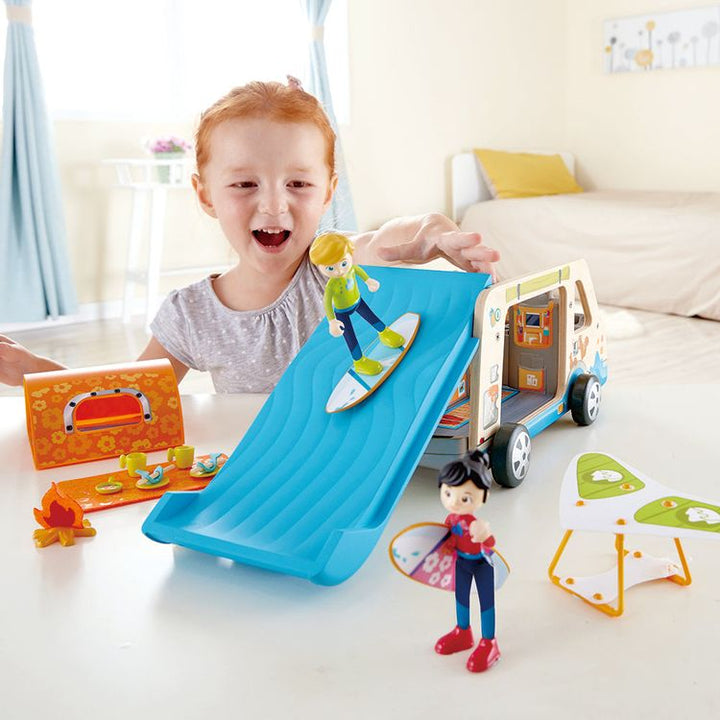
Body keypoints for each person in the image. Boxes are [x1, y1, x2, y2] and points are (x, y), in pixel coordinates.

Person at [0, 78, 499, 393]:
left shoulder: (333, 265)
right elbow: (130, 394)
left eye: (298, 184)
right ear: (205, 195)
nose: (274, 205)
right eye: (244, 184)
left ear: (328, 193)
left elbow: (389, 239)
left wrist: (432, 230)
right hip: (260, 470)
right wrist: (33, 370)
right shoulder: (191, 314)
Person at [435, 450, 500, 673]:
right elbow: (448, 540)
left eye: (464, 498)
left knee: (486, 604)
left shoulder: (477, 524)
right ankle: (463, 632)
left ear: (484, 496)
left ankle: (489, 642)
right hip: (461, 563)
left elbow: (491, 544)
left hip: (482, 565)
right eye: (448, 493)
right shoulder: (451, 519)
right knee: (461, 599)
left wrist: (485, 535)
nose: (454, 502)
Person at [310, 231, 404, 375]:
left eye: (343, 263)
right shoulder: (331, 285)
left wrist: (368, 281)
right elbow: (327, 302)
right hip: (342, 312)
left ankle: (384, 332)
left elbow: (359, 271)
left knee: (372, 317)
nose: (339, 271)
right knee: (350, 336)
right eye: (330, 268)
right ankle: (359, 361)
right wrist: (332, 321)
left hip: (358, 302)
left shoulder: (351, 269)